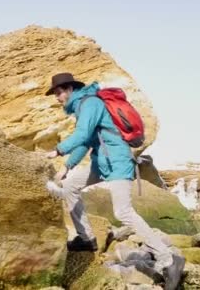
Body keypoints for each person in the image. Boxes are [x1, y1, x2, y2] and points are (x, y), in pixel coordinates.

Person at [43, 72, 185, 290]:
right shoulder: (82, 107)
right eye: (55, 93)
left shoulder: (89, 103)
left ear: (71, 89)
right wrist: (68, 166)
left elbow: (81, 135)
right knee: (70, 185)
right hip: (102, 162)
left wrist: (57, 151)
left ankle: (167, 258)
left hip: (118, 160)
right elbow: (86, 142)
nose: (57, 97)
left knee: (123, 212)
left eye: (60, 92)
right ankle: (87, 238)